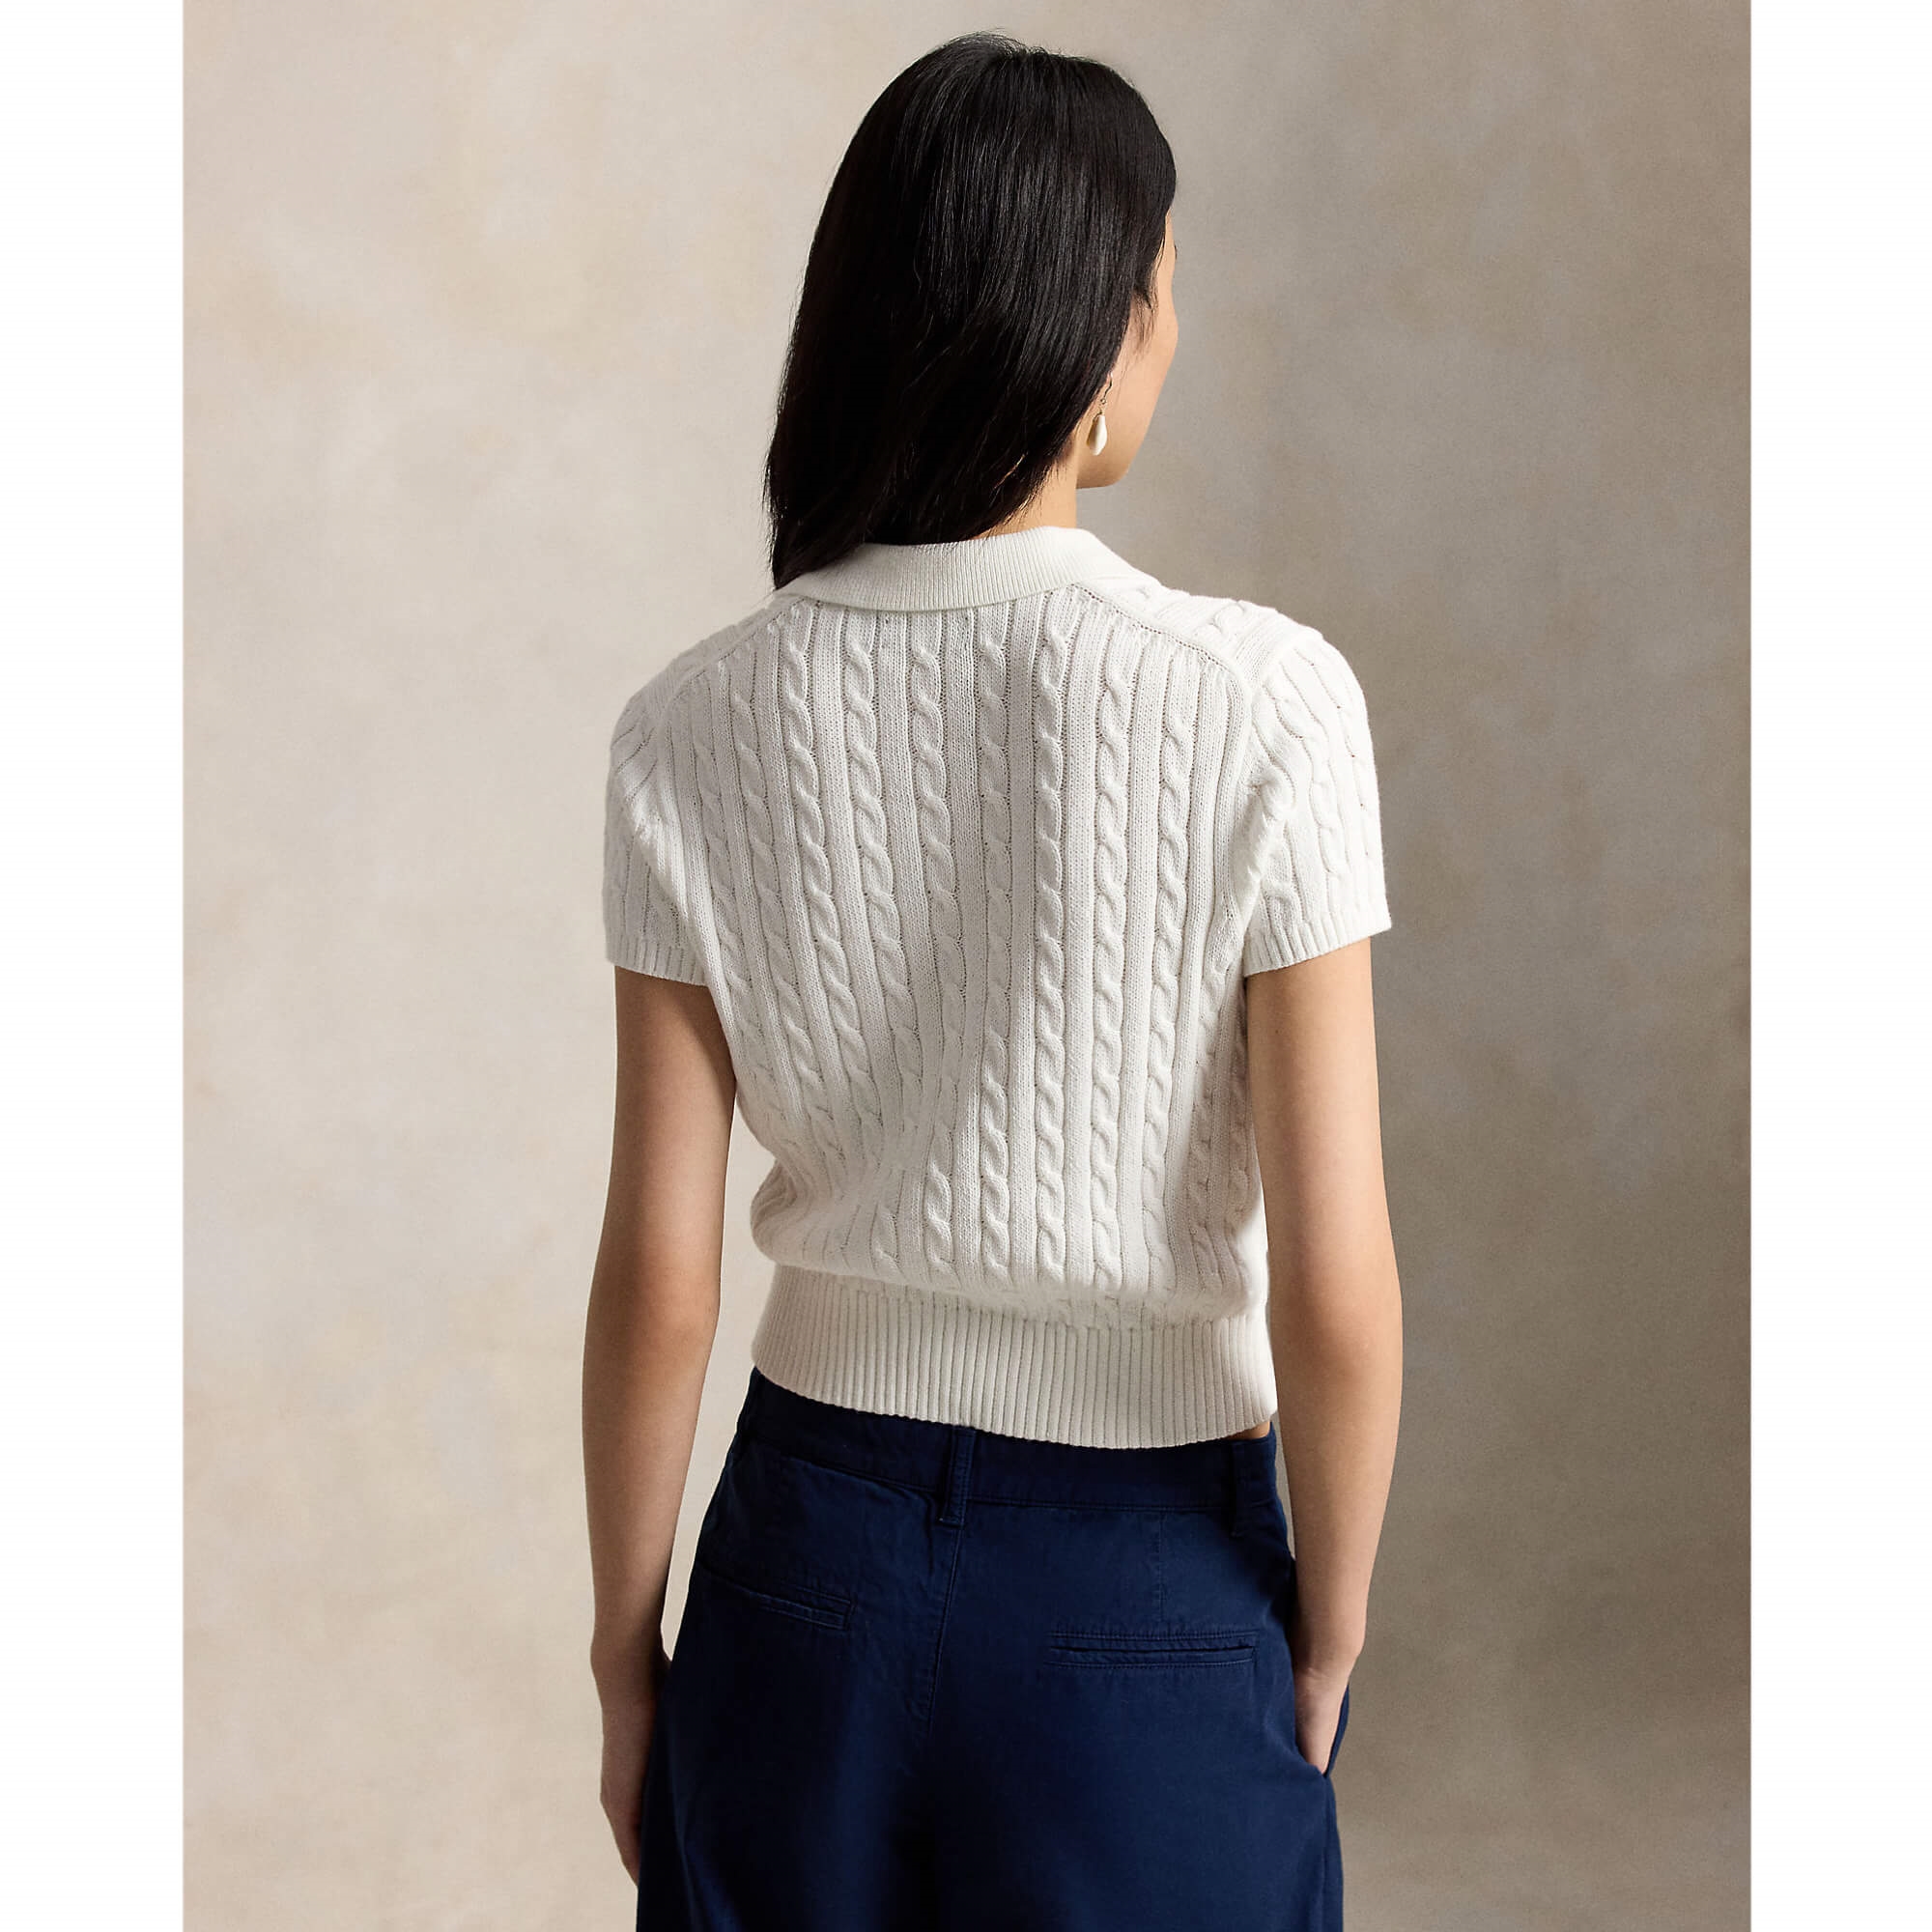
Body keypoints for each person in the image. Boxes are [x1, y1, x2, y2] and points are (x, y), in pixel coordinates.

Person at [583, 30, 1402, 1932]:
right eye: (1165, 287)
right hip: (1148, 1580)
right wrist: (1331, 1624)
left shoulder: (686, 725)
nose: (1174, 332)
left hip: (798, 1568)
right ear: (1101, 333)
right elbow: (1337, 1279)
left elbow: (662, 1275)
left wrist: (628, 1655)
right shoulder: (1265, 704)